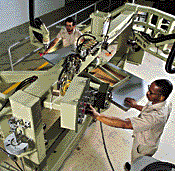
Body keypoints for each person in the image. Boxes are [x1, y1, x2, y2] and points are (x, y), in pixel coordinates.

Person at [85, 79, 173, 171]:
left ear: (161, 97)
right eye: (148, 89)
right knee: (137, 163)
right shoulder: (164, 103)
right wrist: (135, 105)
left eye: (151, 93)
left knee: (138, 163)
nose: (147, 93)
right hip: (148, 138)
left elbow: (124, 124)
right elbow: (149, 109)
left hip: (143, 147)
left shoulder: (154, 117)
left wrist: (98, 116)